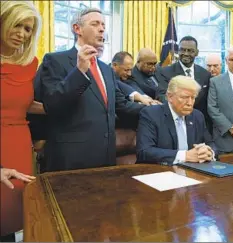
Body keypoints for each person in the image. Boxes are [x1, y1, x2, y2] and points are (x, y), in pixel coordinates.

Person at [37, 8, 144, 172]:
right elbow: (52, 103)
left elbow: (120, 105)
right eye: (95, 24)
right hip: (70, 159)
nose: (102, 29)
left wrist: (160, 110)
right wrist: (79, 72)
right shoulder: (55, 60)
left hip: (106, 157)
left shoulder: (106, 69)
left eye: (103, 25)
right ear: (77, 29)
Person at [0, 1, 44, 238]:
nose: (22, 34)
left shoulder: (30, 63)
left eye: (28, 29)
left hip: (18, 142)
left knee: (13, 210)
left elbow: (23, 104)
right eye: (17, 24)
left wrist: (60, 108)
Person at [136, 75, 216, 165]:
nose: (190, 103)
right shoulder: (151, 114)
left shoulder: (197, 116)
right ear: (170, 97)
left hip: (192, 171)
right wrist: (185, 156)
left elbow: (210, 143)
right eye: (184, 97)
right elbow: (144, 152)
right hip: (158, 172)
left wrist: (209, 152)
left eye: (193, 98)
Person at [158, 36, 212, 133]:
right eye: (182, 50)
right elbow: (162, 96)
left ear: (197, 52)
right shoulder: (165, 72)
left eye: (190, 50)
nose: (186, 53)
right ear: (177, 51)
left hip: (199, 126)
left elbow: (208, 102)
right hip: (174, 124)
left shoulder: (205, 74)